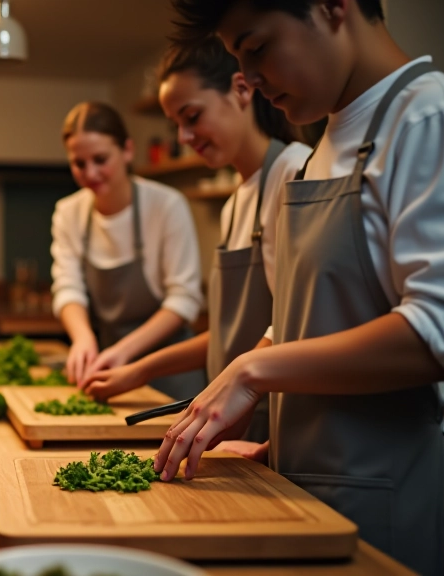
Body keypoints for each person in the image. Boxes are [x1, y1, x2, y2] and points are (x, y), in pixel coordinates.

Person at [155, 1, 444, 573]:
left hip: (383, 497)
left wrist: (250, 372)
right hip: (301, 488)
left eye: (257, 49)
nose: (252, 82)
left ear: (334, 6)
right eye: (239, 59)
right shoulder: (322, 150)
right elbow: (299, 321)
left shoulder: (433, 113)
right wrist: (274, 442)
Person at [79, 38, 312, 447]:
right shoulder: (236, 202)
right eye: (176, 126)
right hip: (235, 419)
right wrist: (139, 371)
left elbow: (295, 327)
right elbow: (228, 335)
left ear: (241, 90)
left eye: (192, 116)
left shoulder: (295, 173)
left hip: (271, 422)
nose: (184, 136)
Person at [51, 101, 206, 401]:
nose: (90, 173)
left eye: (100, 159)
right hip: (107, 369)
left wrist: (124, 352)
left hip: (171, 372)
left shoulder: (166, 206)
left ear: (127, 151)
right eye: (79, 164)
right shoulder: (69, 212)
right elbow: (68, 287)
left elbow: (184, 299)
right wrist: (82, 338)